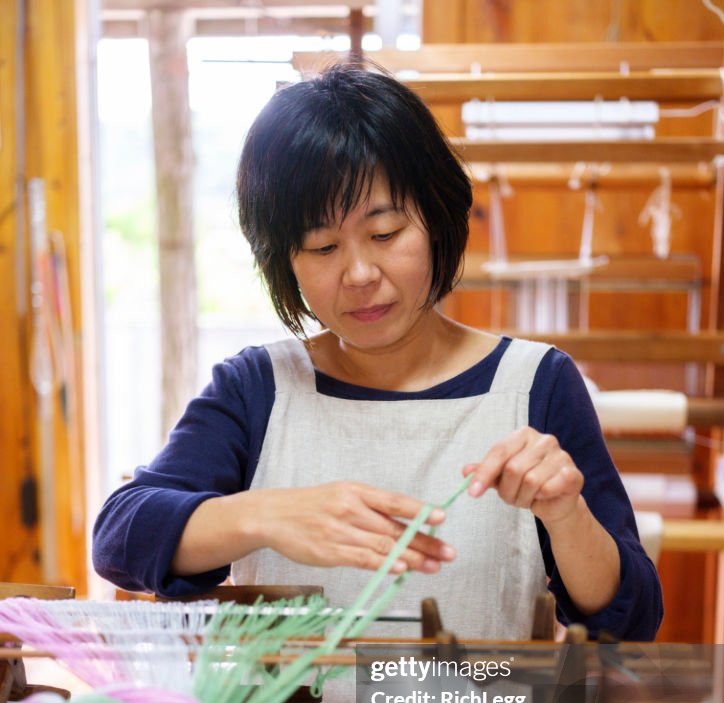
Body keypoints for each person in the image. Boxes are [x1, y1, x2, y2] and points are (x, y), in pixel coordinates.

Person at [93, 62, 662, 641]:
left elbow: (633, 618)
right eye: (321, 246)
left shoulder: (535, 384)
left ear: (436, 221)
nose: (359, 273)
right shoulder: (259, 387)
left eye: (385, 233)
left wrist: (567, 517)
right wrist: (264, 514)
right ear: (283, 261)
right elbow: (119, 538)